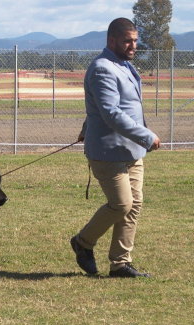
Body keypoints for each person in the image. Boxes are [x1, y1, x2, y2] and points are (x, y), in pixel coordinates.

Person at [70, 17, 161, 278]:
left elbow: (107, 107)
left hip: (131, 151)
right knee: (121, 204)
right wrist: (146, 135)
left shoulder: (124, 66)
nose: (133, 45)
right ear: (112, 41)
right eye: (127, 41)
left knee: (134, 205)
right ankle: (83, 242)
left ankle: (120, 263)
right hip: (108, 152)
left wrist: (88, 125)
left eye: (135, 40)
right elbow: (111, 112)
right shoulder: (102, 68)